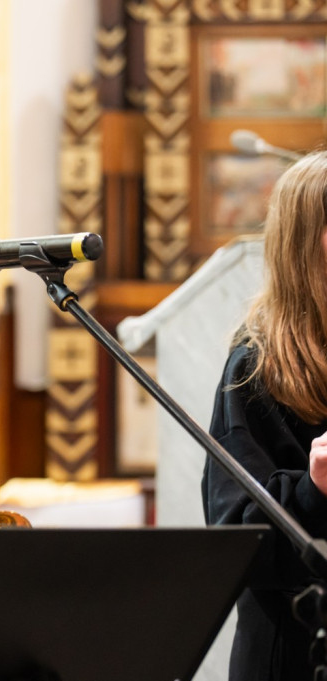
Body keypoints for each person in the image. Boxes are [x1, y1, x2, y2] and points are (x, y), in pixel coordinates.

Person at [203, 150, 327, 681]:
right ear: (305, 244)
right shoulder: (256, 367)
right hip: (295, 657)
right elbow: (235, 539)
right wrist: (314, 491)